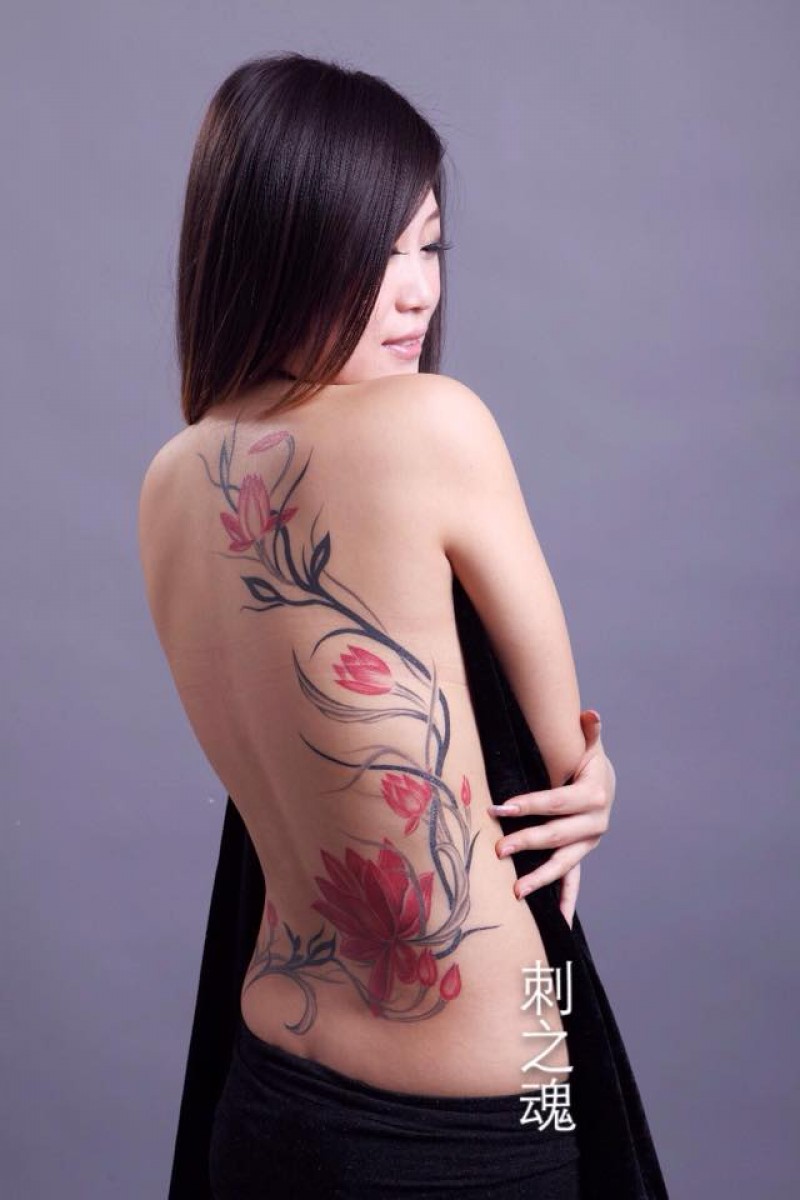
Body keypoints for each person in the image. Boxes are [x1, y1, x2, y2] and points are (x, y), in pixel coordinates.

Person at [138, 52, 669, 1199]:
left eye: (427, 246)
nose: (417, 291)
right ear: (281, 247)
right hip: (479, 1120)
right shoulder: (431, 425)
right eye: (372, 252)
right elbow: (559, 771)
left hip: (267, 1091)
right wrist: (599, 779)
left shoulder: (170, 483)